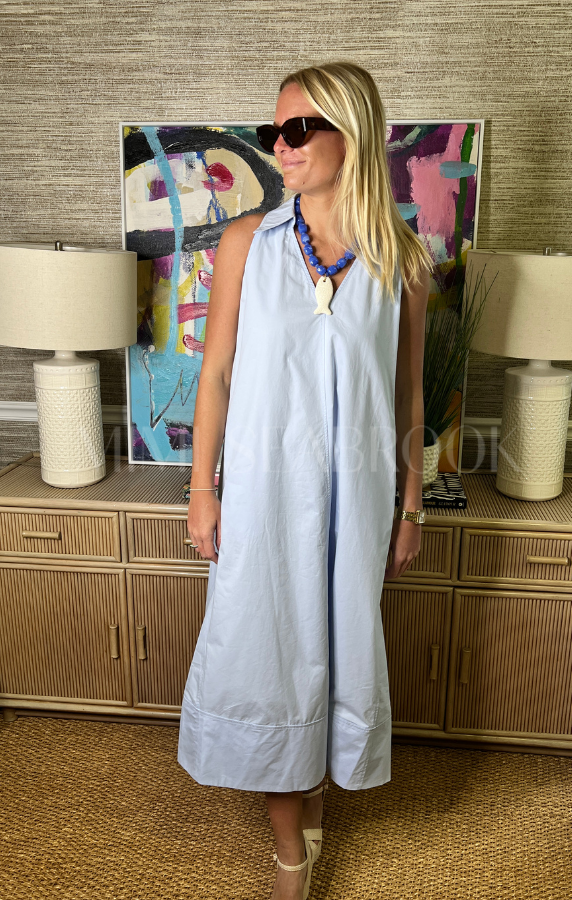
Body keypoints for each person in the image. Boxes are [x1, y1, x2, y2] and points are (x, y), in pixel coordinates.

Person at [177, 61, 433, 900]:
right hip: (261, 499)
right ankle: (292, 853)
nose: (280, 146)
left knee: (339, 652)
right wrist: (203, 491)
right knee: (266, 656)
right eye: (273, 131)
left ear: (349, 135)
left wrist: (412, 506)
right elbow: (216, 376)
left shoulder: (403, 260)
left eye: (297, 130)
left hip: (356, 504)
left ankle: (315, 799)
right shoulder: (246, 244)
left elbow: (409, 394)